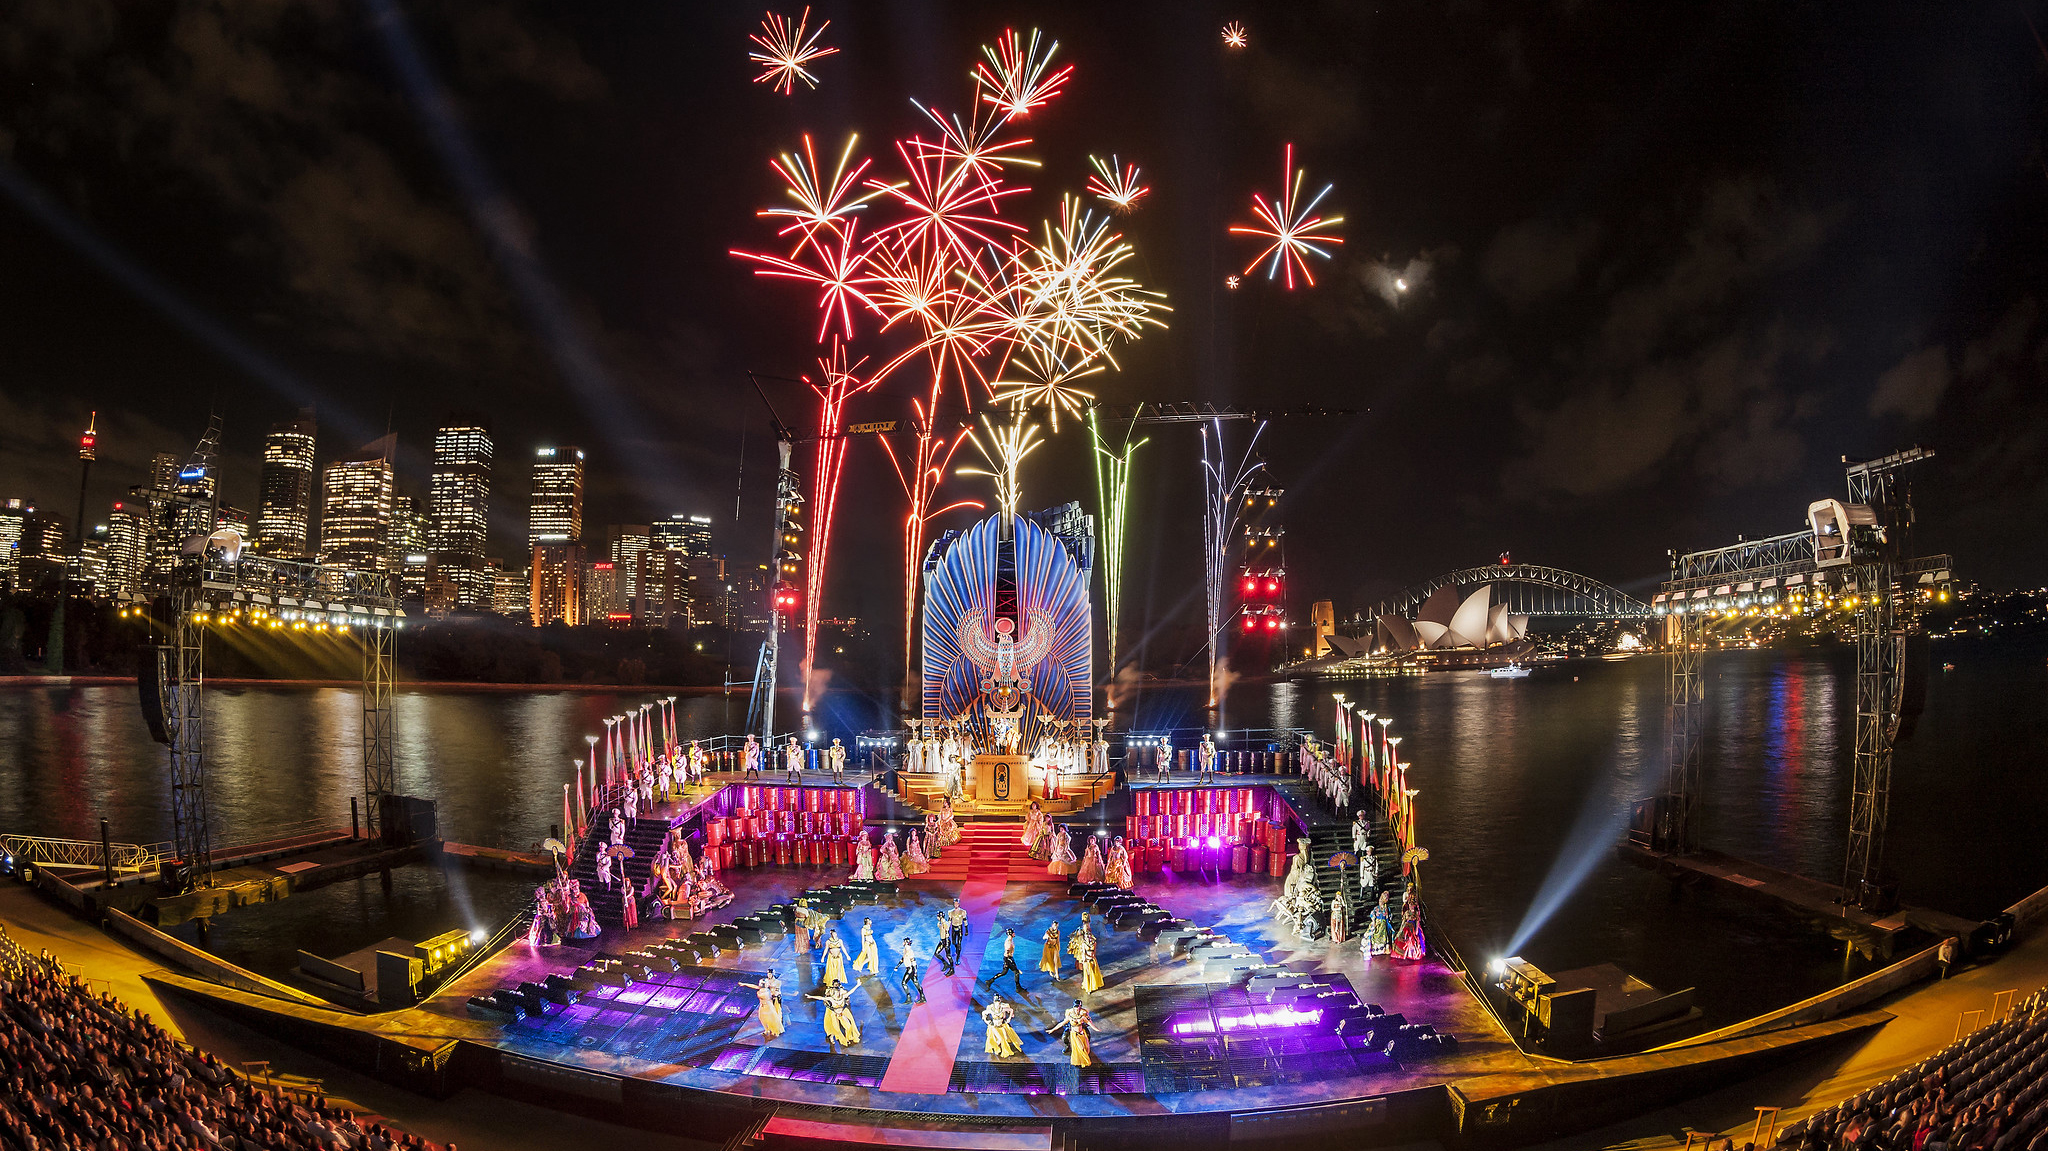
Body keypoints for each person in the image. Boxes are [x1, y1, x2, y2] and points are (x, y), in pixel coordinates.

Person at [808, 981, 860, 1050]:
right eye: (836, 993)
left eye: (838, 993)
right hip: (834, 1014)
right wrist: (811, 996)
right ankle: (843, 1040)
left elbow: (851, 992)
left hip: (842, 1013)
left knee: (848, 1026)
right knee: (836, 1029)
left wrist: (857, 985)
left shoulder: (843, 996)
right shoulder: (831, 998)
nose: (837, 994)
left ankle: (848, 1037)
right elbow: (821, 998)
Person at [739, 972, 785, 1039]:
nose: (761, 984)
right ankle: (766, 1030)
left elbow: (776, 993)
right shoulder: (760, 989)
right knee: (762, 1018)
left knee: (772, 1019)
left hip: (768, 1006)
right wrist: (744, 984)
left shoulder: (769, 991)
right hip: (762, 1005)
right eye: (761, 983)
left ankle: (775, 1031)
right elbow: (753, 986)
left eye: (763, 983)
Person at [1052, 1000, 1097, 1067]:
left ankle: (1085, 1050)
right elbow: (1064, 1021)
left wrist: (1090, 1024)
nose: (1077, 1010)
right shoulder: (1069, 1011)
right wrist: (1053, 1029)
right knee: (1065, 1037)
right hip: (1072, 1027)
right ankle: (1067, 1046)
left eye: (1078, 1008)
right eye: (1075, 1008)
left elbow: (1089, 1020)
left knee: (1088, 1035)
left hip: (1081, 1027)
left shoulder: (1084, 1012)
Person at [1391, 888, 1427, 960]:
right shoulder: (1407, 912)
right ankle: (1403, 953)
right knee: (1403, 939)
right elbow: (1404, 921)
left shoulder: (1416, 913)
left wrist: (1416, 929)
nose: (1411, 907)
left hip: (1413, 927)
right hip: (1407, 927)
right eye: (1410, 905)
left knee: (1414, 939)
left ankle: (1413, 953)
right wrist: (1401, 928)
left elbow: (1417, 921)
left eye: (1412, 905)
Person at [988, 927, 1025, 994]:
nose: (1014, 933)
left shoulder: (1010, 940)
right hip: (1008, 959)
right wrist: (1008, 962)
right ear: (1011, 934)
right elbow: (1007, 953)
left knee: (1004, 972)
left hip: (1008, 958)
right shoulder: (1009, 942)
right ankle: (1018, 988)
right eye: (1013, 932)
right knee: (1016, 972)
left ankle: (990, 981)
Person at [1362, 891, 1395, 960]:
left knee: (1384, 935)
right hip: (1377, 923)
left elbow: (1388, 916)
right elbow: (1372, 915)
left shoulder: (1386, 908)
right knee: (1374, 934)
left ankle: (1384, 949)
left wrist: (1388, 920)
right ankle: (1374, 948)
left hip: (1384, 923)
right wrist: (1374, 922)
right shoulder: (1376, 908)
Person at [934, 908, 957, 973]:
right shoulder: (941, 923)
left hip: (946, 941)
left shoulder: (944, 923)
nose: (937, 917)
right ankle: (945, 964)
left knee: (948, 955)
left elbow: (947, 929)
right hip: (942, 940)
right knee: (936, 953)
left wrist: (946, 931)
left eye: (938, 916)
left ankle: (952, 969)